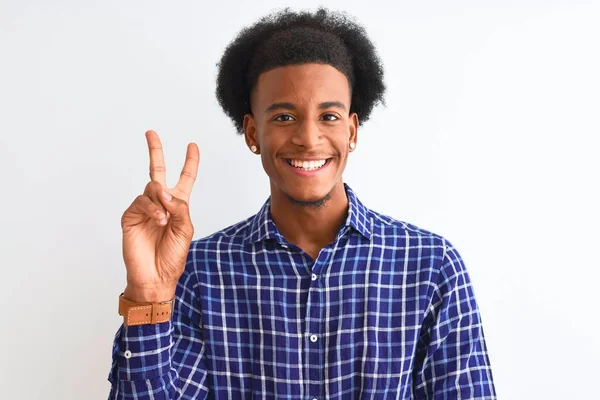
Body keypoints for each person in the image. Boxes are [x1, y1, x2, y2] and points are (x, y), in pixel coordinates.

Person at [107, 7, 496, 399]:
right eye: (283, 117)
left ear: (351, 130)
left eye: (328, 116)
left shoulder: (430, 267)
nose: (309, 139)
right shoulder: (199, 272)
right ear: (252, 132)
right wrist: (149, 295)